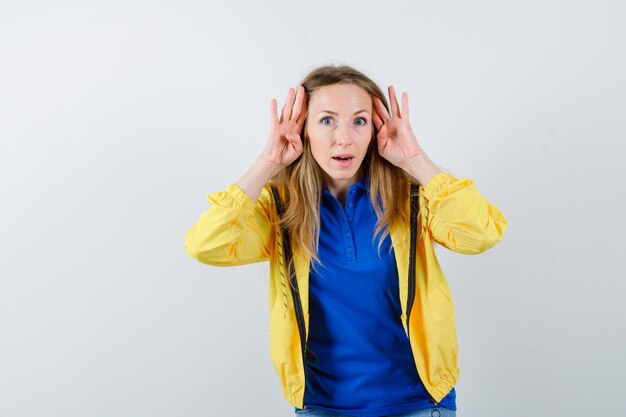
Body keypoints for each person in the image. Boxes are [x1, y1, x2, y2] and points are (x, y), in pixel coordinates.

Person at [184, 65, 508, 417]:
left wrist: (415, 159)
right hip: (322, 408)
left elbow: (482, 233)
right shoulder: (281, 209)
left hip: (421, 403)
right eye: (326, 121)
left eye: (359, 121)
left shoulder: (412, 198)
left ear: (375, 129)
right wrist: (268, 162)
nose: (345, 138)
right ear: (303, 129)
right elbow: (205, 244)